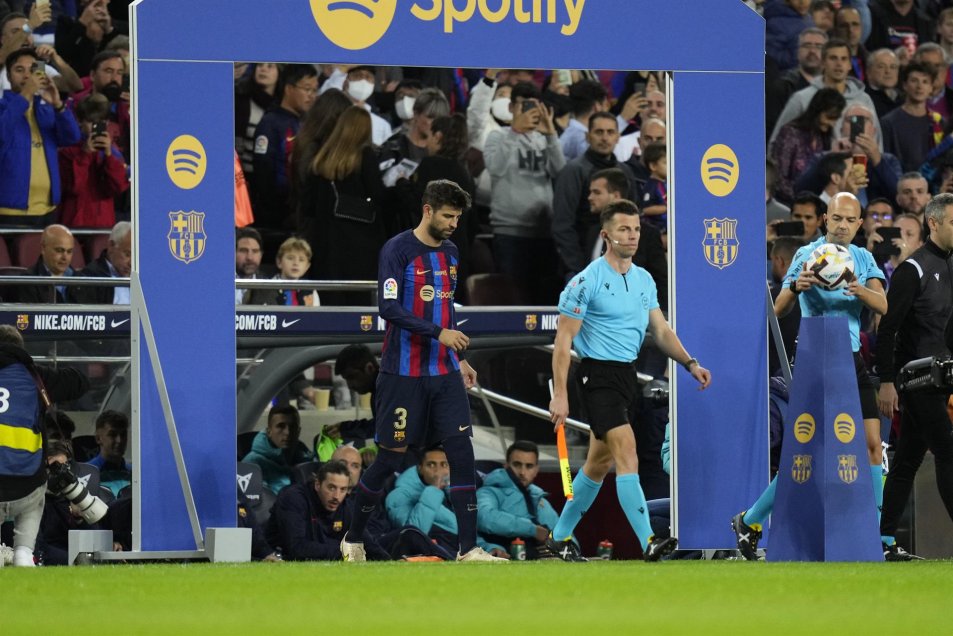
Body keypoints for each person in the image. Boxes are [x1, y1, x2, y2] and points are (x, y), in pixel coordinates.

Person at [341, 179, 506, 563]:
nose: (453, 224)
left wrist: (459, 357)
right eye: (448, 216)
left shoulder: (450, 252)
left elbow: (445, 308)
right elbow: (389, 308)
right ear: (427, 210)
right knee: (390, 458)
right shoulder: (397, 250)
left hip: (444, 373)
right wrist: (439, 333)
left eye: (458, 217)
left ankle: (469, 550)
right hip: (402, 374)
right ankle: (353, 539)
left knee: (462, 456)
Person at [546, 199, 712, 562]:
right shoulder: (585, 281)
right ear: (606, 234)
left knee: (597, 464)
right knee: (627, 450)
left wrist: (689, 363)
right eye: (624, 229)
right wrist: (560, 395)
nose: (633, 235)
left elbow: (661, 329)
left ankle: (559, 537)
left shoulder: (643, 279)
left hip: (626, 376)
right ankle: (649, 541)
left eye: (636, 228)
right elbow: (562, 343)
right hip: (595, 375)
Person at [732, 192, 887, 560]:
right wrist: (796, 286)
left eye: (851, 220)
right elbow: (780, 308)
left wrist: (858, 288)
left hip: (852, 357)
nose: (843, 226)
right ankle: (751, 520)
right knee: (808, 451)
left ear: (859, 224)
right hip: (815, 358)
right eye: (837, 219)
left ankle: (879, 537)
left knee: (871, 444)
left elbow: (883, 305)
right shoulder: (807, 256)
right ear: (825, 219)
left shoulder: (863, 258)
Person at [876, 193, 953, 561]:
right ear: (934, 223)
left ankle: (885, 540)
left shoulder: (950, 265)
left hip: (944, 378)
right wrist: (888, 381)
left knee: (906, 459)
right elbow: (888, 328)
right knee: (947, 451)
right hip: (918, 378)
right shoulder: (913, 270)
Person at [0, 324, 88, 567]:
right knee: (38, 493)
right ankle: (23, 554)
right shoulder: (34, 376)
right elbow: (79, 382)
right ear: (19, 349)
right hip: (26, 488)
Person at [484, 81, 566, 304]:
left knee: (544, 298)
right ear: (511, 108)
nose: (529, 112)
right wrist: (515, 132)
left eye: (533, 107)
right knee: (513, 299)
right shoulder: (497, 136)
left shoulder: (545, 139)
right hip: (510, 233)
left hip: (544, 232)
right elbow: (496, 168)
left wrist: (551, 136)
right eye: (523, 106)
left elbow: (561, 173)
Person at [298, 105, 386, 306]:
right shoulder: (366, 156)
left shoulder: (320, 159)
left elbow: (308, 205)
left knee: (331, 301)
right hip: (361, 245)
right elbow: (379, 194)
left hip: (326, 244)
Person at [552, 112, 638, 279]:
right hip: (581, 266)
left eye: (610, 132)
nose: (605, 138)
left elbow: (633, 217)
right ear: (587, 136)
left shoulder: (625, 172)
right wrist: (579, 268)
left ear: (618, 137)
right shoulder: (573, 171)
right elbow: (562, 224)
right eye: (599, 132)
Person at [0, 47, 81, 227]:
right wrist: (26, 94)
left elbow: (72, 137)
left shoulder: (45, 109)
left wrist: (59, 105)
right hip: (8, 210)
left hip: (48, 210)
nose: (27, 76)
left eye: (33, 70)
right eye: (19, 70)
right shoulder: (3, 107)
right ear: (8, 76)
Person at [386, 445, 500, 558]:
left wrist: (489, 548)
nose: (438, 470)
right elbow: (413, 534)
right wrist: (435, 489)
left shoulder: (453, 495)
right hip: (427, 555)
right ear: (420, 468)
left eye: (444, 465)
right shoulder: (399, 495)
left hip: (455, 552)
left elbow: (464, 535)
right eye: (431, 465)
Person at [264, 459, 389, 561]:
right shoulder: (294, 499)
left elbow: (366, 542)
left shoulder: (345, 506)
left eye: (343, 489)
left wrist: (389, 563)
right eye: (331, 487)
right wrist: (344, 551)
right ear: (317, 484)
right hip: (277, 561)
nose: (337, 496)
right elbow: (297, 547)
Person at [252, 64, 317, 232]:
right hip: (275, 218)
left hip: (300, 215)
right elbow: (264, 172)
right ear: (289, 88)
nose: (312, 96)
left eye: (315, 90)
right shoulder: (271, 123)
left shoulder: (306, 124)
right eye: (307, 89)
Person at [477, 440, 561, 559]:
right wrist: (533, 530)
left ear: (536, 470)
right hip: (502, 561)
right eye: (517, 465)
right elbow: (484, 518)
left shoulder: (539, 500)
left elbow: (565, 535)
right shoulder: (489, 492)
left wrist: (563, 549)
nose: (522, 472)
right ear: (506, 466)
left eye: (529, 466)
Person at [57, 92, 128, 228]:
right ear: (80, 122)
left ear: (107, 123)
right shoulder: (68, 151)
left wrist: (108, 156)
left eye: (101, 122)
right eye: (91, 122)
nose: (95, 126)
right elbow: (74, 188)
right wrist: (85, 154)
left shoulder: (113, 153)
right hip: (74, 221)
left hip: (103, 223)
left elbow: (118, 187)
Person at [770, 87, 846, 204]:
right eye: (829, 117)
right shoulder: (790, 133)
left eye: (835, 119)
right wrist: (803, 200)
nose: (832, 124)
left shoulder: (823, 138)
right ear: (817, 111)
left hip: (816, 205)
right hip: (787, 204)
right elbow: (778, 179)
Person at [241, 405, 314, 495]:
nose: (287, 432)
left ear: (298, 431)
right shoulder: (252, 464)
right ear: (269, 432)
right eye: (281, 426)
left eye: (292, 427)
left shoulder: (306, 459)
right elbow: (255, 506)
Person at [880, 61, 939, 174]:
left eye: (925, 82)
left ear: (931, 88)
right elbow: (886, 163)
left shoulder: (938, 122)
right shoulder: (888, 122)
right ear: (905, 85)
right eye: (914, 81)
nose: (919, 86)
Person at [245, 236, 319, 307]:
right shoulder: (264, 289)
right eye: (290, 258)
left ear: (307, 266)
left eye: (301, 260)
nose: (296, 263)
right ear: (279, 262)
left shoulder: (310, 291)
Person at [70, 220, 130, 304]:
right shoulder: (90, 278)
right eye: (127, 254)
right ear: (111, 246)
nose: (131, 263)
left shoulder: (143, 277)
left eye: (136, 256)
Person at [17, 224, 75, 304]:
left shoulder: (83, 281)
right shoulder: (28, 283)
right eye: (59, 250)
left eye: (69, 251)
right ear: (43, 248)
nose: (65, 257)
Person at [86, 410, 131, 498]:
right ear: (98, 439)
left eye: (123, 434)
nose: (119, 440)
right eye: (112, 435)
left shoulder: (135, 473)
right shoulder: (87, 474)